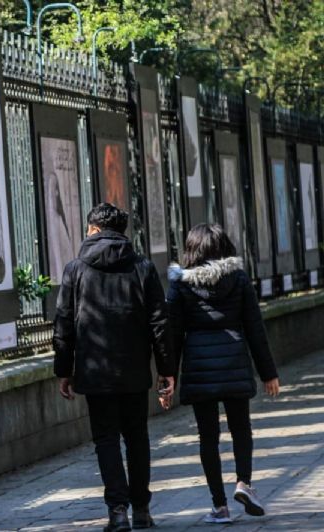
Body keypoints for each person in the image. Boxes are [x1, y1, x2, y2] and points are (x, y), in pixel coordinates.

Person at [53, 203, 175, 532]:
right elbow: (160, 323)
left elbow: (63, 324)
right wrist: (166, 369)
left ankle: (117, 511)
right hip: (134, 372)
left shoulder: (75, 270)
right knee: (137, 438)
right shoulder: (143, 268)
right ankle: (142, 510)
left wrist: (64, 370)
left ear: (92, 229)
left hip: (94, 373)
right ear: (123, 232)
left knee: (106, 439)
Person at [167, 223, 280, 524]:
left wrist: (168, 376)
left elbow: (173, 334)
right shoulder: (239, 279)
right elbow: (255, 329)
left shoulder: (180, 285)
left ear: (192, 250)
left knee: (208, 437)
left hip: (199, 366)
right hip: (233, 362)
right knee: (241, 428)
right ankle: (244, 483)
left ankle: (220, 506)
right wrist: (268, 373)